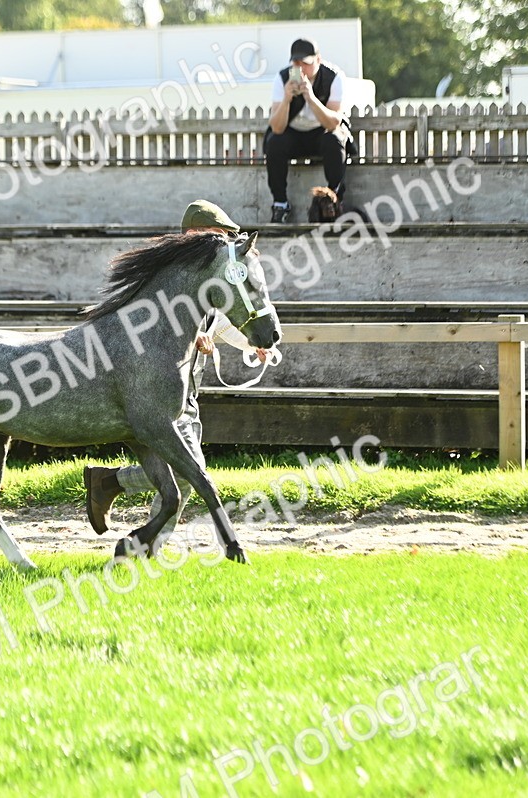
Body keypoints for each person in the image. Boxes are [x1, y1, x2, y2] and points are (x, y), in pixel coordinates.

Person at [82, 199, 270, 539]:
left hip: (189, 390)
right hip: (159, 387)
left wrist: (250, 345)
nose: (227, 242)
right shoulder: (171, 276)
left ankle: (109, 482)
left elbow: (222, 323)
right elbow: (148, 320)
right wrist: (192, 335)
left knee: (185, 473)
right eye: (221, 235)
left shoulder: (208, 278)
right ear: (197, 233)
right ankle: (144, 545)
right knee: (188, 472)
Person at [265, 37, 354, 224]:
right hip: (294, 134)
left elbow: (333, 123)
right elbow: (277, 127)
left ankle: (333, 200)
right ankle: (280, 203)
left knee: (334, 140)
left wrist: (311, 98)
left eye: (305, 63)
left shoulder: (333, 77)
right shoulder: (282, 79)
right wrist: (287, 99)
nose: (301, 69)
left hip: (321, 132)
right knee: (274, 142)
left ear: (318, 60)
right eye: (296, 64)